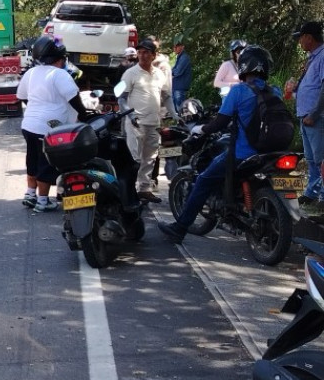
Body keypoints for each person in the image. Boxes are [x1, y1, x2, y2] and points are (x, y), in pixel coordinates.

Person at [159, 45, 278, 242]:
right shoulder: (274, 91)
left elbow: (220, 122)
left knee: (204, 180)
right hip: (271, 151)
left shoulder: (239, 91)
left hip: (242, 153)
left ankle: (180, 228)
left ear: (244, 67)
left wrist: (201, 129)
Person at [16, 35, 89, 212]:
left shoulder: (31, 73)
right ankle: (42, 201)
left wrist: (37, 109)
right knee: (46, 162)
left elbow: (22, 96)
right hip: (49, 127)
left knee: (32, 158)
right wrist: (84, 114)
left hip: (29, 125)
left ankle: (30, 194)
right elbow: (74, 99)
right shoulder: (60, 74)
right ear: (60, 58)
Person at [117, 37, 178, 203]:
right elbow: (121, 98)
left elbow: (166, 96)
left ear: (154, 55)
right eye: (140, 52)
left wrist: (174, 114)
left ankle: (144, 189)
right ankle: (128, 191)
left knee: (150, 158)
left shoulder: (159, 74)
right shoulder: (130, 73)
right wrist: (130, 115)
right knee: (134, 158)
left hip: (154, 123)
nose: (142, 56)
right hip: (136, 122)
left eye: (146, 53)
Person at [288, 21, 324, 204]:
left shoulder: (323, 55)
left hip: (315, 117)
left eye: (301, 38)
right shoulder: (312, 58)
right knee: (311, 158)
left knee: (321, 158)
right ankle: (312, 193)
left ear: (309, 37)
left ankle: (323, 198)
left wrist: (315, 114)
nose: (300, 42)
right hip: (306, 116)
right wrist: (295, 90)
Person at [171, 35, 192, 112]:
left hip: (180, 87)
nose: (174, 48)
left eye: (176, 46)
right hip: (176, 86)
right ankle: (179, 122)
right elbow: (174, 69)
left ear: (182, 47)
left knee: (181, 109)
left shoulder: (184, 57)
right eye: (174, 47)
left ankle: (183, 123)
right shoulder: (180, 57)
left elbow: (177, 72)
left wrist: (170, 72)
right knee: (176, 109)